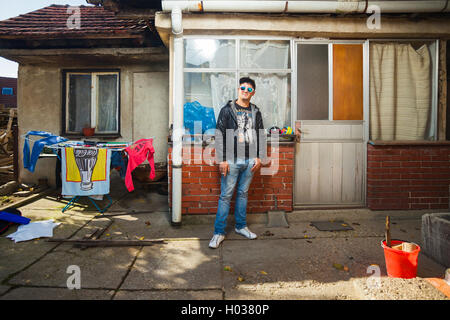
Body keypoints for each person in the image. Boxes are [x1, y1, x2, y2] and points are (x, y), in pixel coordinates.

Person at [209, 77, 266, 249]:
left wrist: (259, 157)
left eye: (249, 89)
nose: (245, 91)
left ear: (253, 93)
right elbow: (219, 136)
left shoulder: (256, 111)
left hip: (250, 160)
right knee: (226, 196)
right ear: (238, 89)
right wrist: (222, 159)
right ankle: (218, 232)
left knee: (242, 194)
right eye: (243, 88)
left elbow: (261, 135)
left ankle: (241, 227)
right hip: (231, 160)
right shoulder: (227, 110)